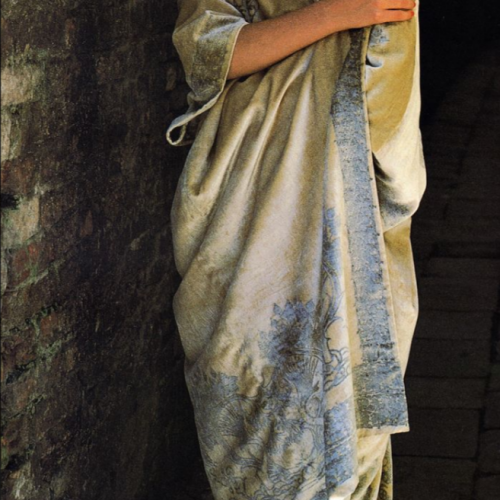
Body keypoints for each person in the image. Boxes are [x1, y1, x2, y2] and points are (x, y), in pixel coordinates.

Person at [165, 1, 427, 499]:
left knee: (344, 438)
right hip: (244, 197)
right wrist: (340, 13)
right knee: (249, 388)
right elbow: (210, 48)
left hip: (344, 207)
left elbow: (390, 108)